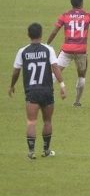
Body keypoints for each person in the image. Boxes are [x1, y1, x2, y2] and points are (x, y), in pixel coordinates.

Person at [9, 22, 66, 160]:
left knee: (31, 122)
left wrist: (12, 85)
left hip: (31, 92)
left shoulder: (22, 51)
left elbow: (16, 71)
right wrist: (62, 85)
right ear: (41, 34)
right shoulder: (48, 50)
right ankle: (46, 150)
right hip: (47, 91)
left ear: (28, 35)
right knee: (47, 121)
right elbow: (55, 67)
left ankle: (31, 152)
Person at [47, 0, 90, 107]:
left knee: (55, 72)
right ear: (82, 3)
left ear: (71, 3)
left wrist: (47, 44)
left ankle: (47, 97)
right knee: (81, 77)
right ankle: (77, 102)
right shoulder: (88, 15)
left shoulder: (65, 15)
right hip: (81, 51)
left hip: (66, 50)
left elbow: (54, 31)